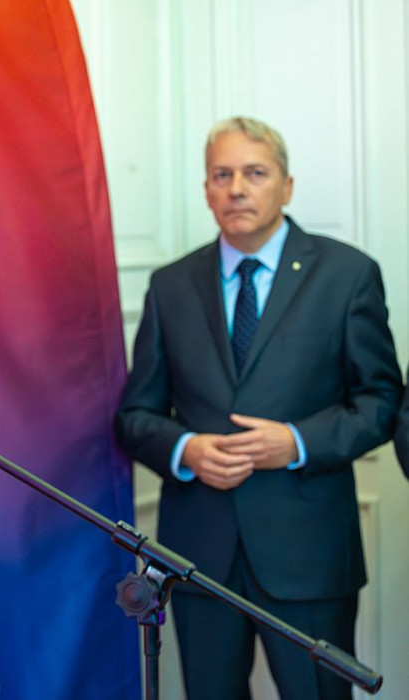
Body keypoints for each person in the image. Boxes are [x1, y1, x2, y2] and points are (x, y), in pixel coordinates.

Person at [115, 116, 401, 699]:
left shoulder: (348, 275)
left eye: (255, 173)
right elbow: (134, 416)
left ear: (286, 186)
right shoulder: (171, 286)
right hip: (198, 557)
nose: (237, 189)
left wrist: (296, 443)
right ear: (206, 190)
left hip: (310, 557)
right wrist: (184, 449)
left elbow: (382, 403)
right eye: (222, 175)